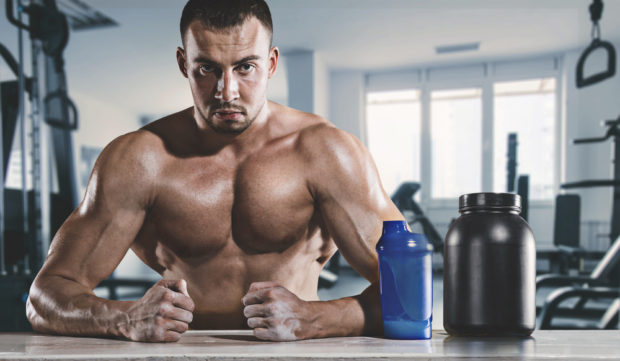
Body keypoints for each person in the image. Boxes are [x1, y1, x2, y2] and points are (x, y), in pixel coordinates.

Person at [26, 0, 405, 342]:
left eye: (246, 68)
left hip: (293, 350)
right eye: (207, 68)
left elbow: (409, 286)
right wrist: (124, 317)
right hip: (185, 351)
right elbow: (45, 297)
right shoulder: (139, 160)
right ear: (182, 64)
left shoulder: (326, 153)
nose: (227, 91)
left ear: (271, 63)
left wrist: (319, 318)